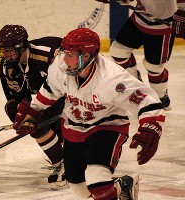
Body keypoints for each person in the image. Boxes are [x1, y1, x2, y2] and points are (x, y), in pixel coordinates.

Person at [12, 28, 165, 199]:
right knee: (78, 187)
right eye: (65, 53)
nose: (65, 59)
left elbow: (147, 100)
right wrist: (34, 110)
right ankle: (122, 186)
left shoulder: (111, 78)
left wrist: (151, 127)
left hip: (106, 127)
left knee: (97, 179)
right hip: (73, 128)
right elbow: (50, 90)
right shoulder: (60, 66)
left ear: (86, 56)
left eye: (70, 55)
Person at [0, 24, 67, 188]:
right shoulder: (7, 67)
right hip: (47, 98)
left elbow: (70, 84)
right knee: (27, 119)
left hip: (67, 95)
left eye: (8, 50)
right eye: (2, 50)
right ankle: (60, 161)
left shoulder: (47, 55)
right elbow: (15, 98)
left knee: (47, 120)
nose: (4, 54)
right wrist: (21, 117)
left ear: (20, 47)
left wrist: (37, 112)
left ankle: (72, 160)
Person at [96, 0, 185, 111]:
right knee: (118, 51)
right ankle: (136, 85)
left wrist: (183, 12)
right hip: (139, 18)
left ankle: (161, 96)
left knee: (154, 67)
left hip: (162, 26)